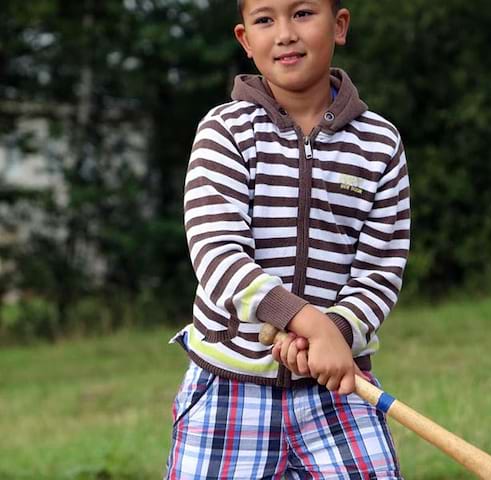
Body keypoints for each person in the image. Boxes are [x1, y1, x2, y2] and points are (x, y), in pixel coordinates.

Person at [165, 0, 411, 477]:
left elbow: (381, 269)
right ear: (245, 41)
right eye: (264, 19)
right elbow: (216, 253)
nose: (284, 33)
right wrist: (306, 322)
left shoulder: (380, 143)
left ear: (339, 25)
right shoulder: (224, 132)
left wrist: (335, 332)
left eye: (302, 14)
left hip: (338, 384)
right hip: (228, 389)